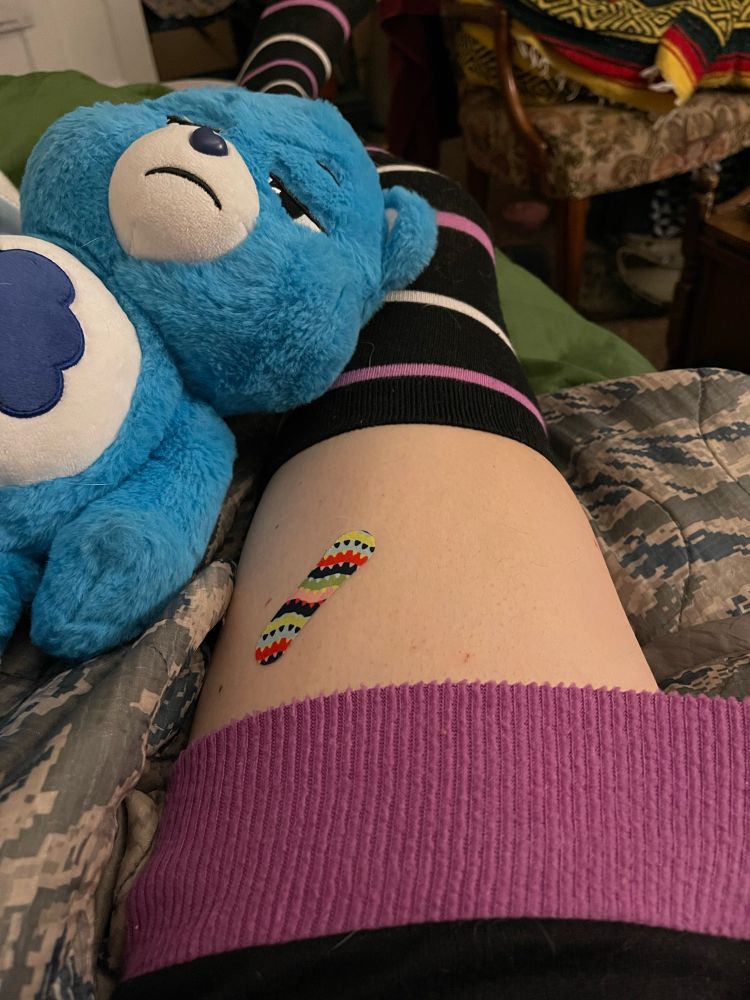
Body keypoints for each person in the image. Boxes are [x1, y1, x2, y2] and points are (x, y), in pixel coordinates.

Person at [115, 6, 750, 998]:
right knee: (419, 213)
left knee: (399, 210)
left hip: (354, 890)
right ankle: (281, 105)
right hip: (623, 882)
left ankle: (278, 95)